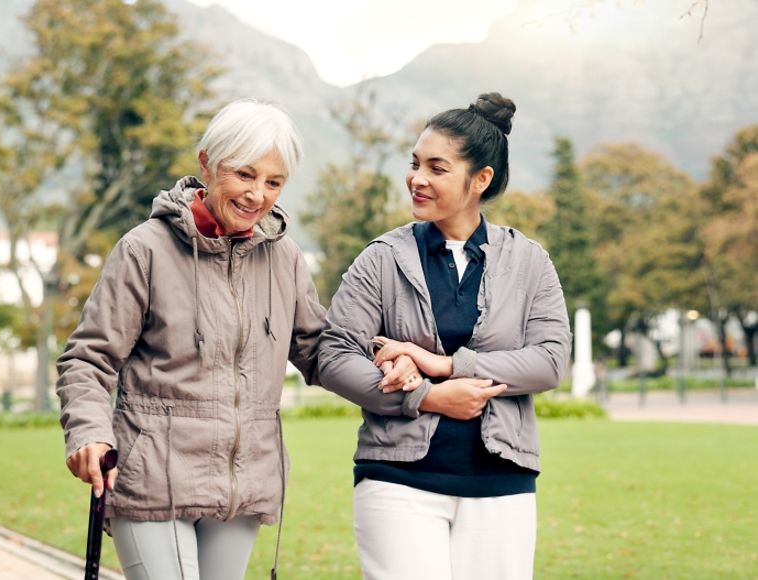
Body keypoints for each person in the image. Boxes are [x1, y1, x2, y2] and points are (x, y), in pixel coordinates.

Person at [56, 100, 344, 580]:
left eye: (273, 183)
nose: (257, 195)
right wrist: (88, 430)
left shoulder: (286, 259)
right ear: (207, 163)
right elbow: (88, 358)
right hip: (154, 477)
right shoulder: (144, 249)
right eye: (244, 175)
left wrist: (388, 358)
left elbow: (320, 351)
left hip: (243, 484)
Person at [318, 92, 572, 579]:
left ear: (480, 180)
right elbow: (333, 354)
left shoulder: (529, 261)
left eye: (436, 168)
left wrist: (449, 365)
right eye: (415, 164)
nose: (417, 178)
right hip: (398, 481)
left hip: (502, 483)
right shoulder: (381, 258)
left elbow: (550, 360)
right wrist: (429, 397)